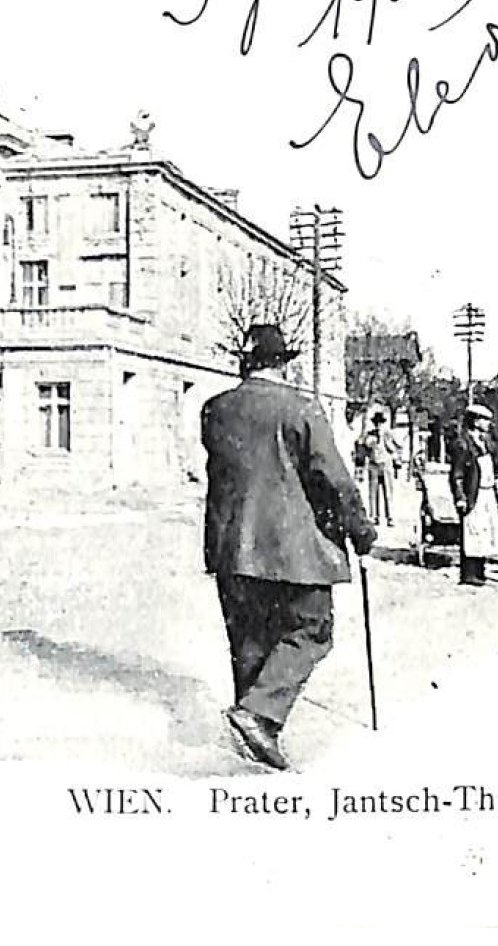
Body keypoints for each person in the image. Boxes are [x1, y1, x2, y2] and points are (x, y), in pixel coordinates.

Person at [202, 324, 377, 771]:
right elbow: (332, 479)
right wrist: (360, 531)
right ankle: (258, 716)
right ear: (284, 362)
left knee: (249, 642)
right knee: (310, 631)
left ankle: (255, 741)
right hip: (294, 553)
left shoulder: (215, 409)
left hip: (232, 548)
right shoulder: (302, 409)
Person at [450, 404, 498, 586]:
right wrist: (460, 497)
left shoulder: (486, 443)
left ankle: (480, 570)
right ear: (474, 421)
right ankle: (469, 573)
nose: (487, 424)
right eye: (483, 420)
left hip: (488, 492)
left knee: (486, 531)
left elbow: (494, 465)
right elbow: (457, 474)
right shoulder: (463, 443)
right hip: (474, 493)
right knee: (472, 530)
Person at [357, 411, 397, 526]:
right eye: (376, 423)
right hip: (373, 465)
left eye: (380, 423)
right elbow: (364, 447)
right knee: (373, 493)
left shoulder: (388, 434)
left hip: (386, 465)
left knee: (388, 492)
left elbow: (395, 447)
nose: (378, 425)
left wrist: (390, 444)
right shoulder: (369, 435)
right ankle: (374, 516)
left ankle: (390, 517)